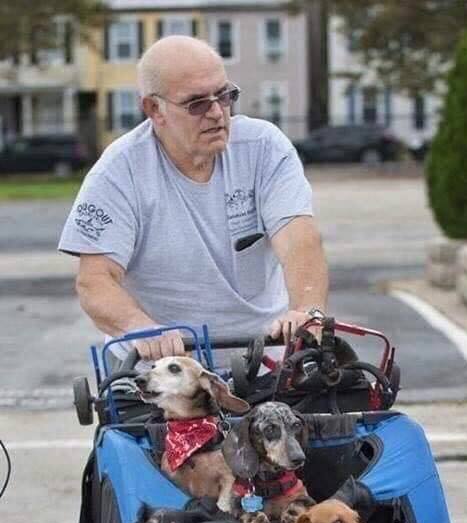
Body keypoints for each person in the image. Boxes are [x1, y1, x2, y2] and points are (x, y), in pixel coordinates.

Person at [58, 35, 329, 364]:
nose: (217, 113)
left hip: (264, 357)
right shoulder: (118, 171)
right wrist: (142, 328)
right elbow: (95, 280)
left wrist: (306, 310)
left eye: (225, 96)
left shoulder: (264, 147)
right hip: (162, 369)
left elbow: (299, 240)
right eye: (197, 103)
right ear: (154, 109)